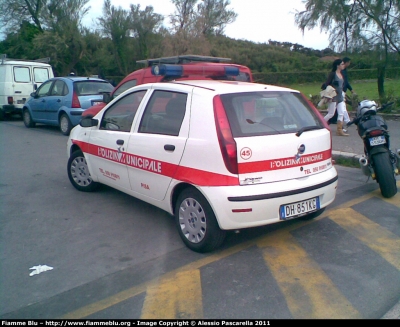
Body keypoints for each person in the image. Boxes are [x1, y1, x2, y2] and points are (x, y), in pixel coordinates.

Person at [323, 59, 350, 136]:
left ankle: (339, 130)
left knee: (341, 112)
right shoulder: (333, 74)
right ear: (337, 65)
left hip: (340, 96)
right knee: (331, 113)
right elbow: (326, 84)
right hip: (333, 96)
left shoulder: (342, 74)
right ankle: (321, 123)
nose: (343, 65)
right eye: (342, 64)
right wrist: (331, 85)